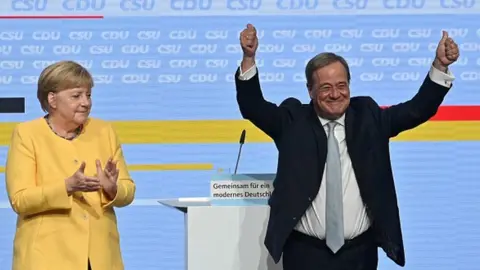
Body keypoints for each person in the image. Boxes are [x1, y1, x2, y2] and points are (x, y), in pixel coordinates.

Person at [235, 24, 459, 270]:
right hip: (304, 253)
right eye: (325, 87)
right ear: (309, 90)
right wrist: (249, 58)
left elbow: (418, 109)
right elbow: (252, 106)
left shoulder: (369, 118)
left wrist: (440, 66)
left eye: (342, 85)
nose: (335, 94)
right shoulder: (292, 121)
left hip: (359, 253)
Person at [5, 61, 136, 270]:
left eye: (88, 95)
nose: (86, 103)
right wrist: (66, 187)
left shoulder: (104, 131)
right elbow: (20, 199)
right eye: (76, 96)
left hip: (100, 259)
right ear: (52, 99)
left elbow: (128, 190)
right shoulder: (27, 134)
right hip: (46, 258)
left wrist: (113, 189)